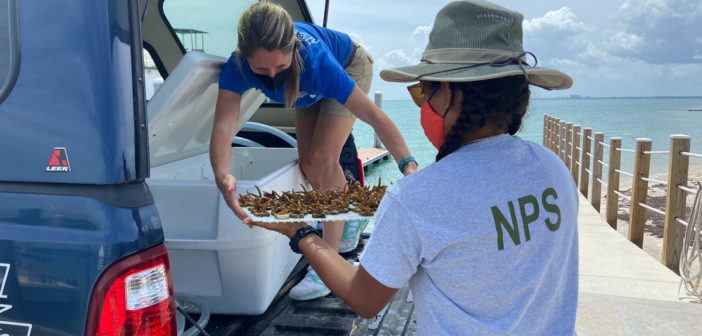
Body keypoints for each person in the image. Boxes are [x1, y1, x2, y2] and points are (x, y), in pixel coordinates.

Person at [253, 0, 580, 335]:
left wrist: (300, 232)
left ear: (448, 93)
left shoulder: (417, 198)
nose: (421, 103)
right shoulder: (553, 168)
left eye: (422, 91)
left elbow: (363, 299)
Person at [210, 1, 418, 301]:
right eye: (260, 70)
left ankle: (329, 263)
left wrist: (408, 164)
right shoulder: (237, 66)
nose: (271, 76)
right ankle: (351, 216)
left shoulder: (317, 61)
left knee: (323, 158)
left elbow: (373, 115)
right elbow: (223, 128)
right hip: (305, 87)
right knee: (307, 164)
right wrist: (223, 174)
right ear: (245, 59)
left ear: (294, 48)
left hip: (349, 64)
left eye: (279, 67)